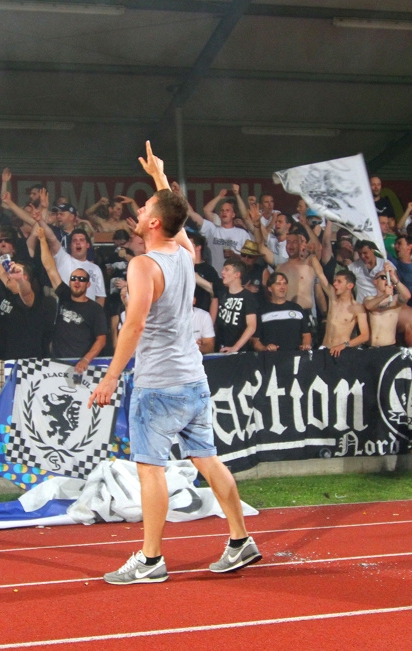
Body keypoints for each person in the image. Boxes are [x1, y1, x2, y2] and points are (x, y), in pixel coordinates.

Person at [90, 142, 259, 585]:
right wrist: (159, 178)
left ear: (152, 222)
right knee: (207, 458)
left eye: (145, 206)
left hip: (158, 384)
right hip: (192, 378)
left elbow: (134, 325)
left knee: (151, 470)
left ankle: (150, 560)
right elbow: (176, 217)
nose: (140, 209)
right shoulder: (184, 253)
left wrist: (110, 376)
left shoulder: (145, 264)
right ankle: (241, 540)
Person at [37, 226, 107, 369]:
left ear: (88, 285)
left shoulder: (95, 309)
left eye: (81, 279)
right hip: (58, 361)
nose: (77, 281)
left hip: (82, 363)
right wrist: (42, 240)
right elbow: (50, 268)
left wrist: (86, 360)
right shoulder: (64, 296)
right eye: (74, 278)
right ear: (69, 282)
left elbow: (101, 339)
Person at [310, 258, 369, 357]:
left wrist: (344, 345)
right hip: (324, 349)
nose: (334, 284)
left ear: (350, 286)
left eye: (339, 281)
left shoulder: (357, 308)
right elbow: (320, 273)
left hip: (341, 351)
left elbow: (365, 336)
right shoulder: (332, 297)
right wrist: (311, 254)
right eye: (334, 281)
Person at [251, 272, 312, 352]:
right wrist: (265, 348)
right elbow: (254, 340)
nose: (282, 287)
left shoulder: (297, 308)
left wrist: (305, 345)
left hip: (295, 357)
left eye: (284, 284)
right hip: (272, 358)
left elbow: (306, 334)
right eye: (278, 284)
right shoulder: (262, 311)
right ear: (269, 288)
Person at [215, 259, 258, 353]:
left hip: (239, 351)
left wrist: (235, 347)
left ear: (237, 274)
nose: (222, 272)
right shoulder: (222, 293)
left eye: (226, 269)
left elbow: (252, 326)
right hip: (220, 348)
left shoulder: (247, 296)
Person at [363, 263, 410, 347]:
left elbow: (407, 296)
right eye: (384, 277)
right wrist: (384, 295)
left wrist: (394, 278)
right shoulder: (369, 298)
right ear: (375, 281)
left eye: (389, 279)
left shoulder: (395, 299)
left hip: (388, 346)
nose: (387, 280)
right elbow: (368, 306)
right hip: (370, 347)